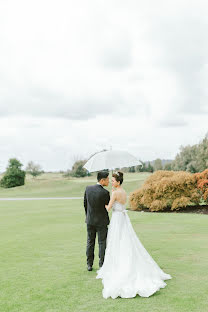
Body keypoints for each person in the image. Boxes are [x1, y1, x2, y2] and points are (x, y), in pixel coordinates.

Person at [96, 171, 172, 299]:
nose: (112, 183)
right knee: (125, 240)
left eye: (113, 181)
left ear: (118, 182)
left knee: (116, 241)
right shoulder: (123, 192)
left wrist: (100, 204)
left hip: (117, 218)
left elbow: (108, 208)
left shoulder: (114, 193)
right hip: (123, 218)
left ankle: (118, 266)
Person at [84, 171, 110, 271]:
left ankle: (89, 264)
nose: (109, 181)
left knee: (90, 242)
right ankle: (102, 264)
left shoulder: (88, 189)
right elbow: (108, 205)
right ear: (102, 180)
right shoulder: (105, 193)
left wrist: (88, 216)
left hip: (90, 220)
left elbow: (85, 204)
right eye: (107, 179)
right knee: (102, 243)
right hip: (101, 221)